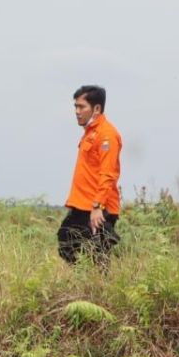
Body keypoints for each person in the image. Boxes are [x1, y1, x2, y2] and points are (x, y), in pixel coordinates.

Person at [59, 85, 122, 264]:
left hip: (99, 208)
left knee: (98, 256)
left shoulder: (107, 135)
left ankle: (99, 288)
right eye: (75, 107)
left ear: (96, 108)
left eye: (81, 107)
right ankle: (84, 284)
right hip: (82, 205)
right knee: (66, 243)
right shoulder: (89, 133)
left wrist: (97, 206)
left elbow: (108, 173)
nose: (77, 112)